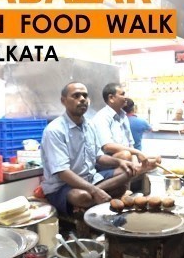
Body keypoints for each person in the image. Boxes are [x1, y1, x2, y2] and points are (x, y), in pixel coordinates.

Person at [40, 82, 136, 215]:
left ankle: (92, 196)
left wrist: (119, 162)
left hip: (90, 179)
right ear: (63, 101)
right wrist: (95, 190)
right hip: (62, 187)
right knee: (82, 196)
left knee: (128, 172)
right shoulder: (55, 130)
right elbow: (62, 172)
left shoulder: (89, 125)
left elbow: (98, 157)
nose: (82, 99)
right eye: (76, 96)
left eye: (85, 95)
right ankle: (94, 194)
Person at [92, 83, 160, 169]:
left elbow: (130, 144)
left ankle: (136, 170)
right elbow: (107, 146)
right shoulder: (102, 117)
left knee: (156, 159)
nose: (125, 97)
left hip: (127, 156)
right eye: (122, 94)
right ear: (111, 98)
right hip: (107, 161)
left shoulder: (123, 116)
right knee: (125, 155)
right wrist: (137, 152)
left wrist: (135, 161)